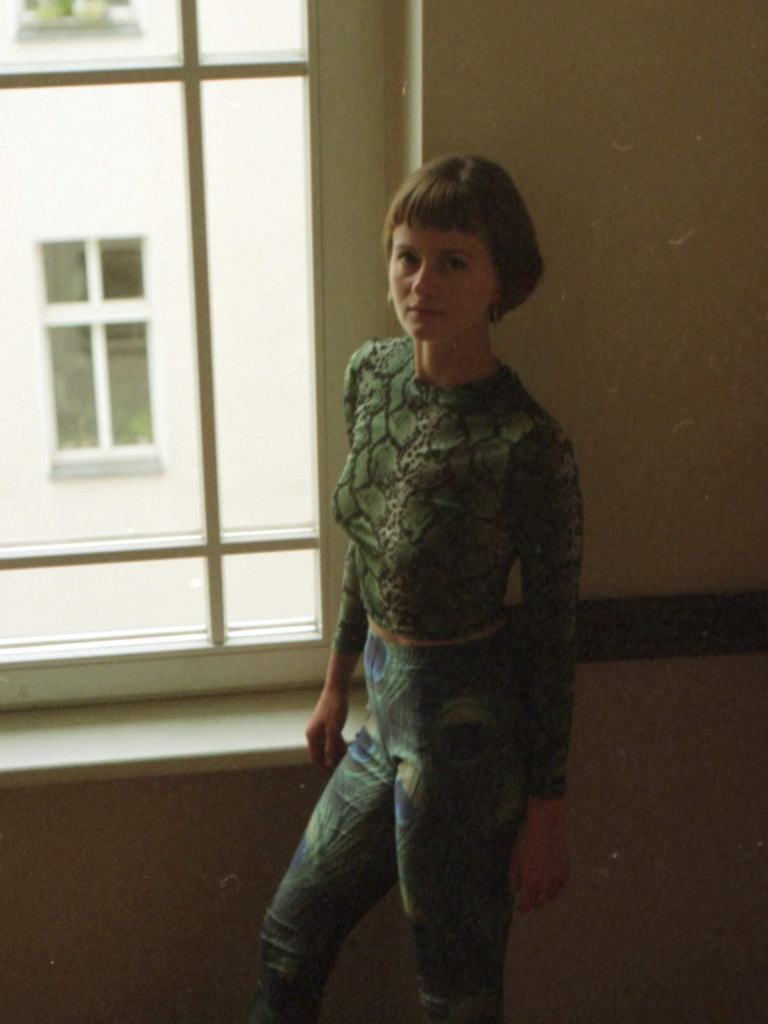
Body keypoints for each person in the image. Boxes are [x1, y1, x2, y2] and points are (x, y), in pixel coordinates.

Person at [246, 155, 582, 1024]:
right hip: (379, 720)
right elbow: (368, 544)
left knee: (455, 996)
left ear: (502, 280)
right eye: (407, 256)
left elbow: (553, 637)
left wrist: (546, 812)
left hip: (467, 742)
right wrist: (335, 683)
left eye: (453, 262)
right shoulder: (372, 375)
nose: (421, 283)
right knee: (288, 939)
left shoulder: (527, 444)